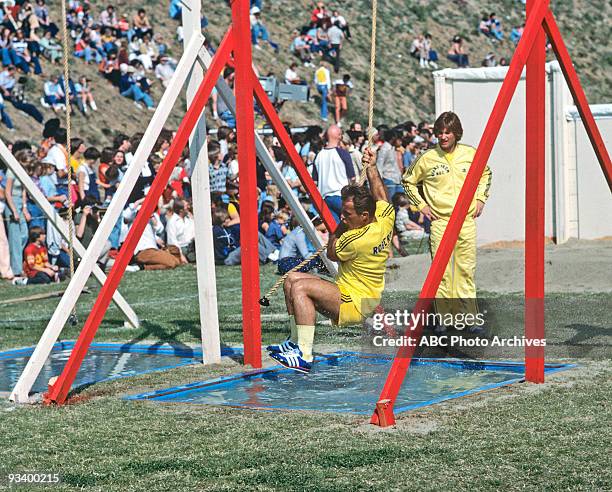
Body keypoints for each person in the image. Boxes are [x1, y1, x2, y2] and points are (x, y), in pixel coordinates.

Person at [267, 148, 394, 373]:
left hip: (355, 303)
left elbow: (332, 253)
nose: (343, 216)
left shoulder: (356, 239)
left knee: (301, 287)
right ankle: (294, 342)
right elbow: (382, 197)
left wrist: (339, 227)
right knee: (291, 279)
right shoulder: (384, 219)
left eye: (347, 213)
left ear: (364, 216)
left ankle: (304, 355)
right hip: (356, 294)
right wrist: (372, 167)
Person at [402, 111, 492, 333]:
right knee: (441, 271)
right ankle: (444, 318)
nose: (443, 137)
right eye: (439, 133)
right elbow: (408, 181)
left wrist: (481, 198)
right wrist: (420, 205)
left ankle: (469, 319)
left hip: (466, 221)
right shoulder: (426, 158)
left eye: (447, 133)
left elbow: (486, 174)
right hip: (440, 221)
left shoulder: (471, 154)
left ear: (456, 133)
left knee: (465, 269)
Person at [312, 124, 355, 223]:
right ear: (339, 136)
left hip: (324, 199)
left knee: (335, 231)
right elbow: (352, 178)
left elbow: (315, 181)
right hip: (341, 197)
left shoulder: (319, 155)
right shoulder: (343, 153)